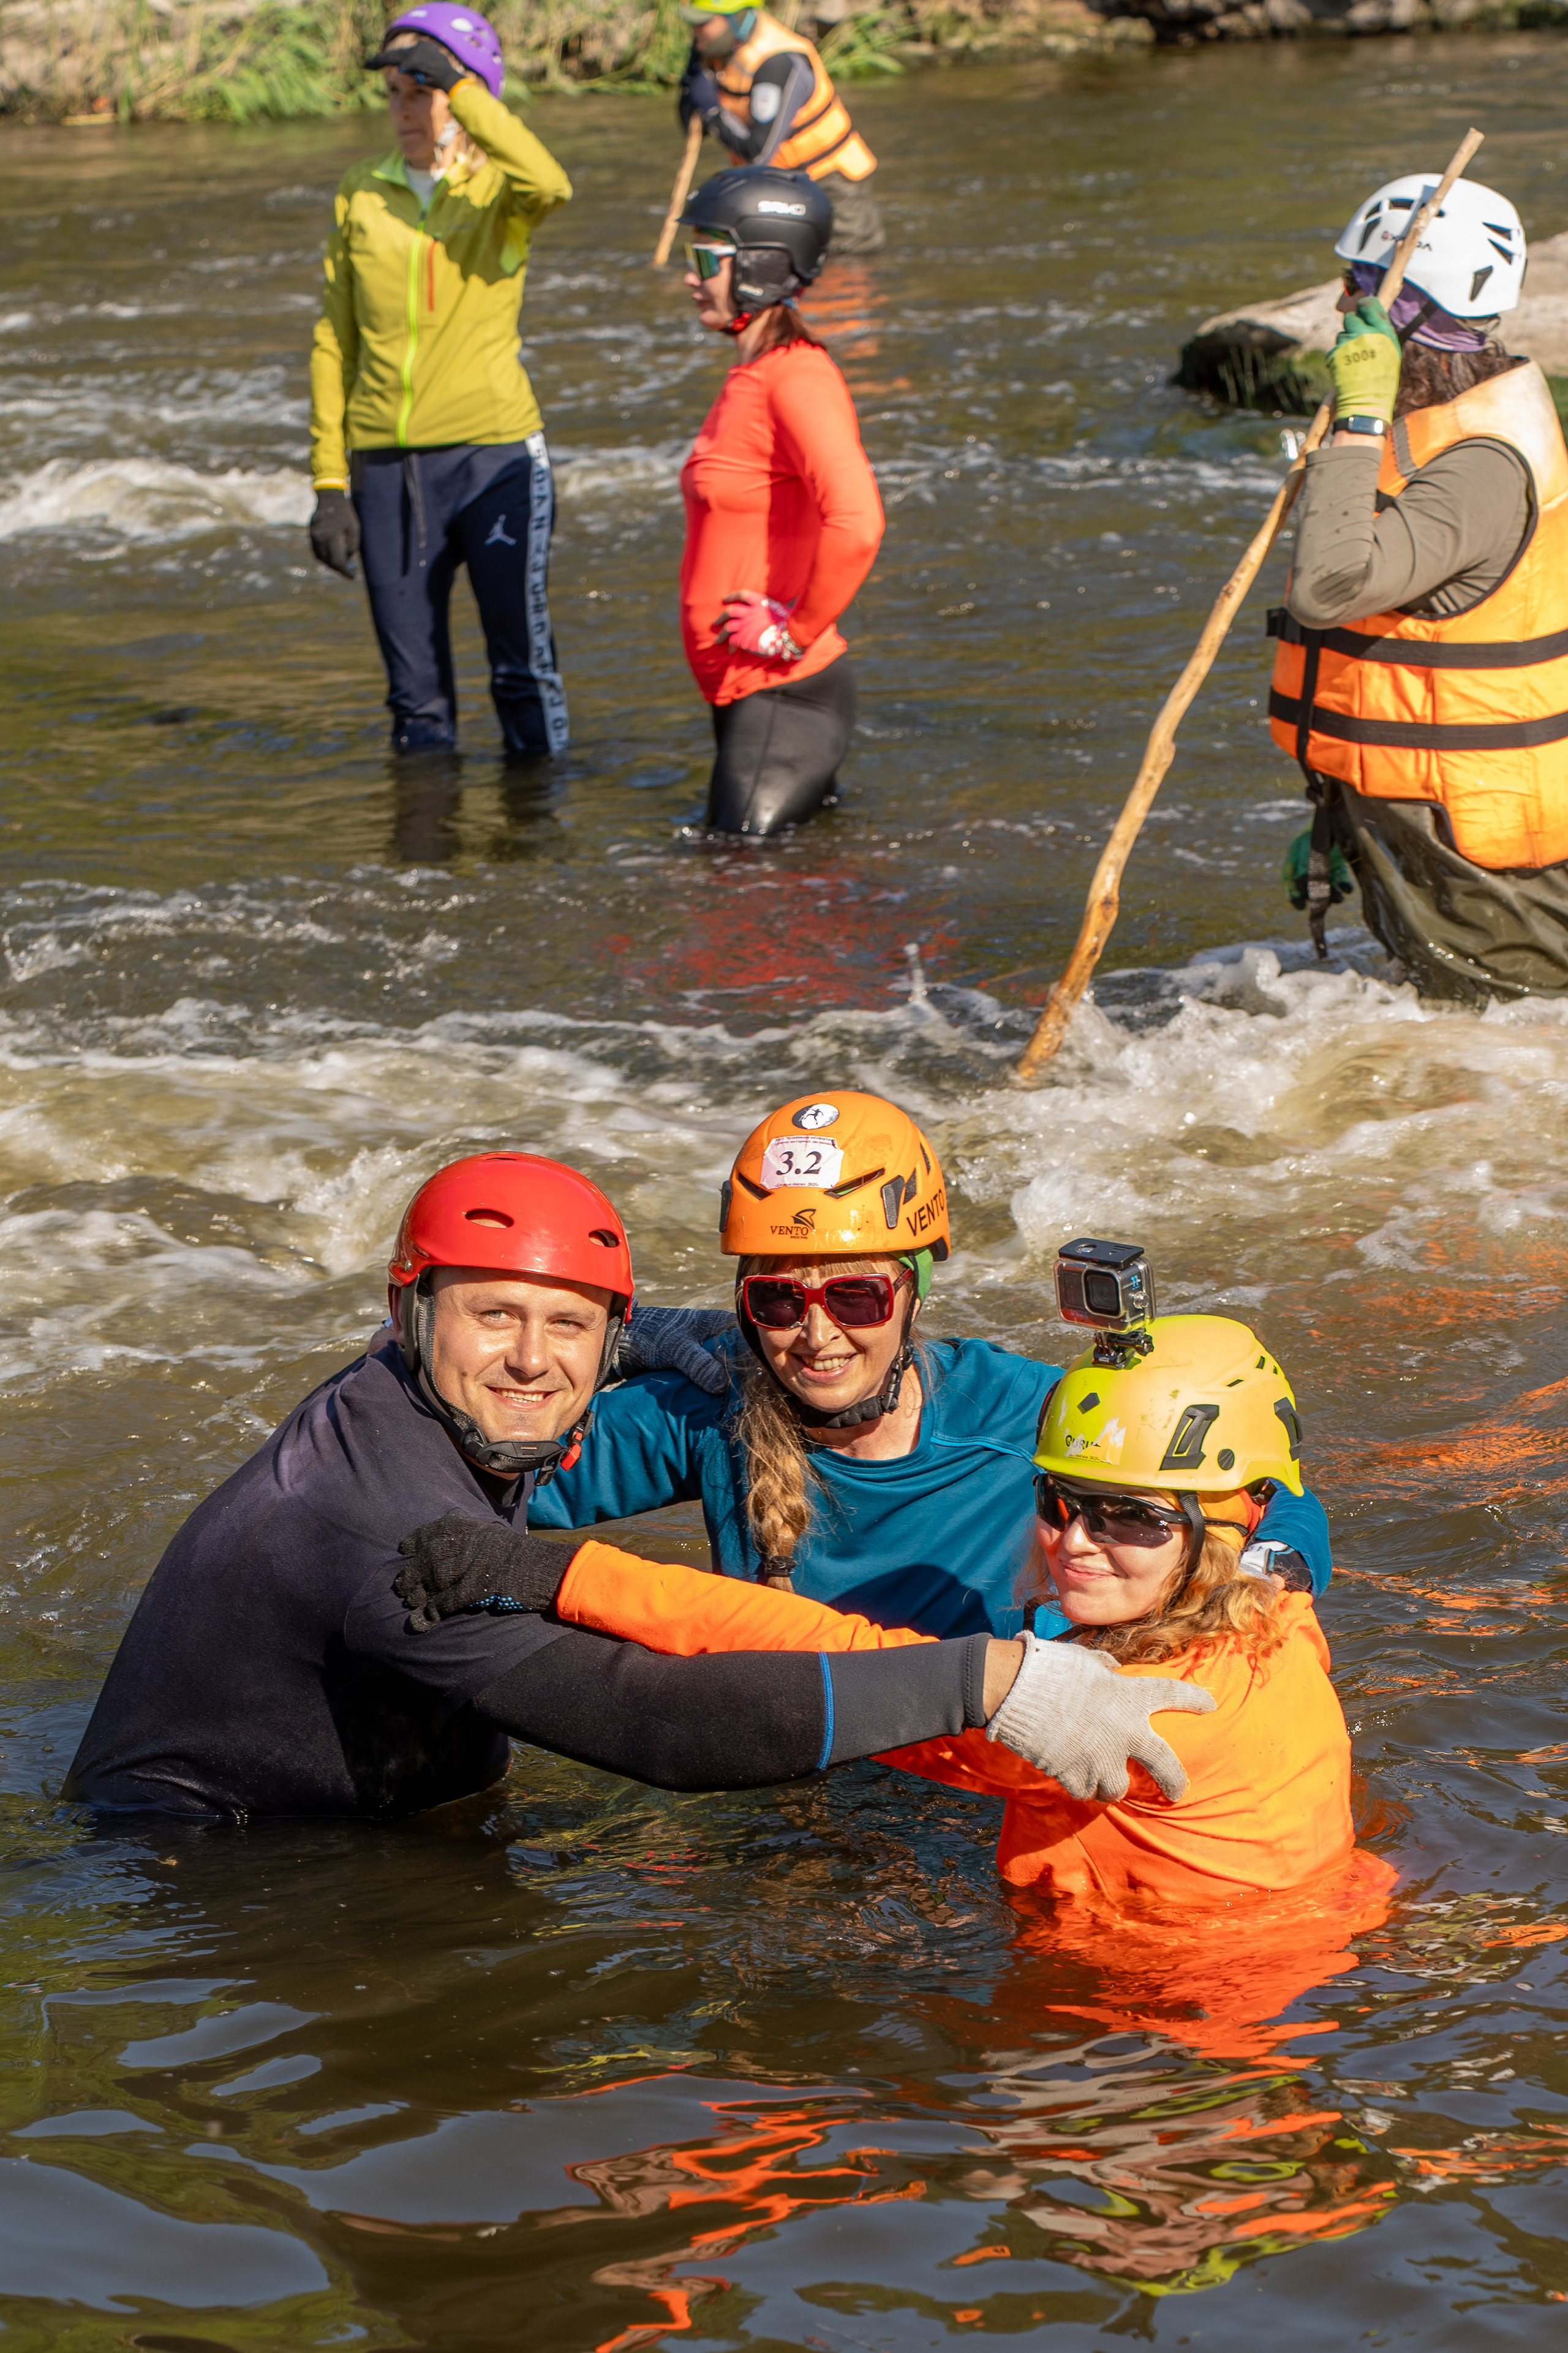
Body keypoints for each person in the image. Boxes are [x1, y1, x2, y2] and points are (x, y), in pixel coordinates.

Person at [66, 1152, 1212, 1823]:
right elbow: (655, 1724)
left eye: (569, 1325)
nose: (531, 1360)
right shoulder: (388, 1530)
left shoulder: (416, 1408)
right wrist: (997, 1684)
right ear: (408, 1314)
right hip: (223, 1876)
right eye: (493, 1316)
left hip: (354, 1820)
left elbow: (1242, 1480)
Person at [397, 1311, 1392, 1910]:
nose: (1078, 1544)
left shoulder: (1136, 1717)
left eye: (1131, 1519)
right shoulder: (1276, 1614)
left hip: (1156, 2041)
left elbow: (846, 1660)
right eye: (1062, 1504)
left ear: (1221, 1530)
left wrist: (558, 1580)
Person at [523, 1089, 1332, 1631]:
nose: (815, 1335)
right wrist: (569, 1344)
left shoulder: (1028, 1414)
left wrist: (1268, 1570)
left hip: (971, 1770)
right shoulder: (708, 1406)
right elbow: (481, 1477)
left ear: (914, 1292)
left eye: (855, 1299)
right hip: (796, 1765)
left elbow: (1271, 1493)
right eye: (776, 1300)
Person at [1268, 172, 1568, 1002]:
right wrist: (1339, 818)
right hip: (1424, 839)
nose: (1338, 305)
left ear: (1404, 306)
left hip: (1495, 880)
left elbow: (1329, 589)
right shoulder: (1439, 428)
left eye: (1356, 287)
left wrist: (1359, 418)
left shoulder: (1479, 464)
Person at [307, 6, 571, 760]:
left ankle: (538, 853)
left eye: (421, 91)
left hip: (494, 459)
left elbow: (553, 183)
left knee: (521, 674)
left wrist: (465, 87)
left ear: (464, 95)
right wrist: (331, 483)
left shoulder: (501, 197)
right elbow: (334, 341)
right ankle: (422, 871)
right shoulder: (360, 192)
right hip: (387, 470)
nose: (403, 111)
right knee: (413, 701)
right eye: (392, 93)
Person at [678, 168, 884, 837]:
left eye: (706, 259)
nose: (690, 277)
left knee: (741, 899)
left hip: (783, 693)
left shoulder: (797, 377)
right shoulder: (754, 374)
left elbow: (857, 522)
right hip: (747, 694)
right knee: (785, 902)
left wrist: (791, 632)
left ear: (763, 265)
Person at [678, 2, 883, 256]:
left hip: (828, 183)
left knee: (846, 270)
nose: (696, 31)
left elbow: (758, 153)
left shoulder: (778, 62)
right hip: (774, 186)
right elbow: (693, 129)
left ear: (736, 19)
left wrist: (712, 110)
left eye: (704, 23)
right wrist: (690, 85)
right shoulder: (718, 49)